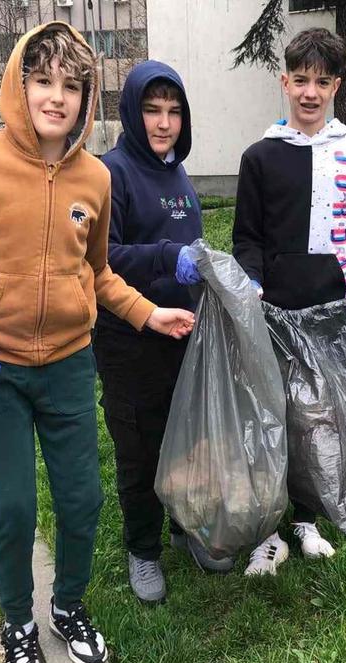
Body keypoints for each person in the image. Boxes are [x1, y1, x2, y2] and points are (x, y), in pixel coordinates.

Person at [0, 22, 194, 663]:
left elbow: (97, 274)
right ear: (19, 84)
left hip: (70, 364)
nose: (56, 97)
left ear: (86, 98)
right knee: (13, 507)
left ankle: (68, 606)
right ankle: (18, 624)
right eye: (42, 81)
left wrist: (148, 313)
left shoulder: (94, 178)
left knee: (80, 500)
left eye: (71, 86)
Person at [232, 27, 346, 576]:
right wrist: (251, 281)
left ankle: (305, 520)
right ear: (284, 82)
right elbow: (247, 236)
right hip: (271, 312)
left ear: (337, 85)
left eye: (321, 82)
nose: (310, 93)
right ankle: (266, 532)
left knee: (318, 420)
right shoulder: (261, 157)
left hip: (328, 316)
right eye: (300, 80)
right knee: (269, 417)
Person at [95, 61, 234, 604]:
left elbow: (190, 249)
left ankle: (185, 528)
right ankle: (143, 549)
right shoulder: (112, 174)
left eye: (174, 112)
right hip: (129, 341)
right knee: (141, 449)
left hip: (184, 336)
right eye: (152, 110)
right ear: (133, 113)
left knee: (190, 440)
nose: (163, 123)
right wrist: (166, 256)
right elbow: (102, 258)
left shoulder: (178, 174)